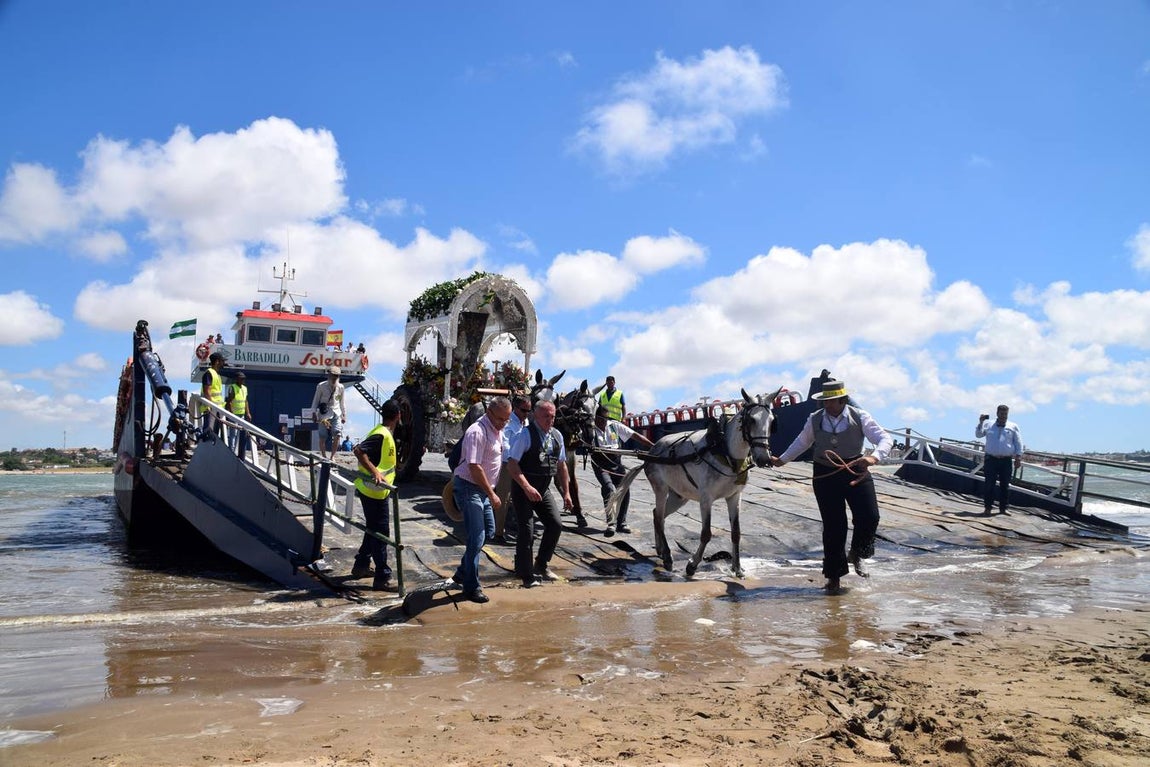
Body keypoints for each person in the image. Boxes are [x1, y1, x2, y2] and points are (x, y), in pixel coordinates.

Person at [770, 379, 893, 596]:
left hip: (856, 470)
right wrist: (782, 460)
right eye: (825, 401)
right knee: (834, 525)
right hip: (825, 475)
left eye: (831, 401)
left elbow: (884, 438)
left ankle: (858, 553)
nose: (827, 405)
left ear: (843, 400)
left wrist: (873, 458)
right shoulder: (814, 419)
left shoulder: (860, 416)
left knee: (870, 517)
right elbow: (802, 442)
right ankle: (833, 578)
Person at [451, 396, 512, 603]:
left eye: (507, 419)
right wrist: (493, 493)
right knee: (476, 537)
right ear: (490, 413)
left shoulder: (498, 430)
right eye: (502, 419)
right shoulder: (476, 432)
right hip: (470, 487)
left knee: (489, 531)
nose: (504, 423)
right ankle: (471, 587)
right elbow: (474, 467)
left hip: (483, 490)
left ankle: (462, 571)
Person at [506, 400, 574, 587]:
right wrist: (527, 487)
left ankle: (541, 565)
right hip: (524, 488)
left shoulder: (557, 436)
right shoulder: (525, 435)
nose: (550, 420)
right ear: (535, 415)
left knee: (555, 524)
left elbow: (561, 466)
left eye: (553, 416)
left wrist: (566, 493)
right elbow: (512, 464)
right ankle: (525, 573)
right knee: (527, 531)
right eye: (546, 416)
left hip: (543, 489)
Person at [351, 400, 400, 590]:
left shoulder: (384, 433)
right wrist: (375, 472)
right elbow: (359, 451)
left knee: (373, 529)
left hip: (376, 491)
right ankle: (382, 577)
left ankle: (361, 565)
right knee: (381, 533)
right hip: (372, 490)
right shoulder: (381, 434)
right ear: (398, 416)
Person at [590, 405, 654, 536]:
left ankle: (621, 522)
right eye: (601, 420)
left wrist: (654, 446)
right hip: (601, 464)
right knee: (609, 488)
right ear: (596, 418)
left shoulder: (614, 425)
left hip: (616, 463)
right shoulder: (590, 430)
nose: (603, 423)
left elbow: (635, 435)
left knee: (625, 489)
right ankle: (611, 523)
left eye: (606, 420)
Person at [491, 394, 531, 545]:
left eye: (529, 410)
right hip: (508, 464)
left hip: (522, 464)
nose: (526, 413)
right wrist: (512, 461)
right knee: (504, 498)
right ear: (515, 408)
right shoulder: (508, 423)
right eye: (523, 410)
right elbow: (505, 444)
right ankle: (498, 533)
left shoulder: (525, 422)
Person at [976, 405, 1024, 516]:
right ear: (997, 413)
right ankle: (988, 508)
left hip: (1006, 460)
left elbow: (1018, 442)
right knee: (989, 485)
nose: (1003, 416)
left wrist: (1018, 457)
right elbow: (978, 435)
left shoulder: (1013, 426)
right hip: (991, 459)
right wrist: (980, 423)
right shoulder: (988, 424)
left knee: (1005, 485)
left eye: (1005, 414)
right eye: (1001, 413)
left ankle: (1003, 509)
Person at [310, 366, 346, 459]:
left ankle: (332, 456)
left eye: (336, 376)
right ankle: (324, 456)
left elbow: (342, 402)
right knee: (322, 436)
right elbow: (315, 400)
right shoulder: (321, 386)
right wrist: (313, 413)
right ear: (329, 375)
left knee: (338, 434)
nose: (334, 378)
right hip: (324, 415)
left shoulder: (341, 387)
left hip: (336, 413)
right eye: (333, 375)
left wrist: (344, 414)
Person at [199, 352, 227, 439]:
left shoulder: (216, 374)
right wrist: (211, 406)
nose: (224, 363)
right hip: (211, 408)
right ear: (217, 362)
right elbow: (207, 390)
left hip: (217, 408)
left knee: (214, 433)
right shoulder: (209, 373)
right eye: (222, 361)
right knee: (208, 432)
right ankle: (206, 450)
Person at [224, 370, 251, 457]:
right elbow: (229, 401)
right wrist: (231, 413)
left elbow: (246, 401)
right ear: (237, 379)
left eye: (243, 379)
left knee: (240, 434)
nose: (243, 380)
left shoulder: (245, 388)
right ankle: (231, 451)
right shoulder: (233, 387)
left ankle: (237, 451)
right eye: (241, 378)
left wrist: (248, 413)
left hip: (242, 414)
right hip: (234, 414)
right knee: (233, 433)